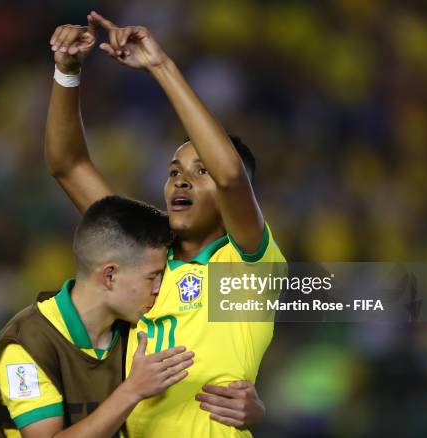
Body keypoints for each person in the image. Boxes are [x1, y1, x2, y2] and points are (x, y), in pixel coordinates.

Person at [46, 12, 286, 436]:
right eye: (174, 169)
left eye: (200, 170)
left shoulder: (247, 265)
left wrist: (161, 66)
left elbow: (230, 175)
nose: (181, 178)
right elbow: (68, 165)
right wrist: (67, 73)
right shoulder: (140, 249)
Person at [0, 196, 194, 438]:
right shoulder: (26, 345)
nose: (159, 288)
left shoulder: (137, 329)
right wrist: (132, 390)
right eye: (152, 277)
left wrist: (244, 409)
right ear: (110, 276)